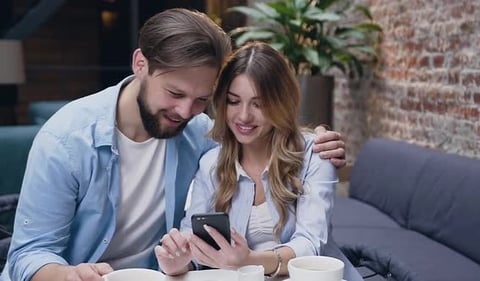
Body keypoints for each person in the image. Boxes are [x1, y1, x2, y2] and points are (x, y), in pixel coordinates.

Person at [1, 8, 345, 281]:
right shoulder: (65, 142)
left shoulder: (198, 132)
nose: (185, 111)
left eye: (201, 99)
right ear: (141, 65)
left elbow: (255, 134)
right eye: (175, 93)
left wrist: (314, 140)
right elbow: (28, 255)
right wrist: (68, 275)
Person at [155, 42, 338, 277]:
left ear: (280, 103)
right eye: (234, 101)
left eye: (258, 104)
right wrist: (178, 263)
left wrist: (249, 260)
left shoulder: (315, 155)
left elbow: (312, 245)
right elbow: (194, 243)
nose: (243, 116)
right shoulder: (211, 164)